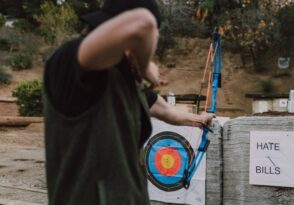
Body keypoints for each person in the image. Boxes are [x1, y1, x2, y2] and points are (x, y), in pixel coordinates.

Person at [43, 0, 214, 204]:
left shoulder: (124, 80)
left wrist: (200, 119)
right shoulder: (69, 58)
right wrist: (144, 66)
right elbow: (144, 23)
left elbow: (168, 111)